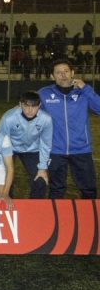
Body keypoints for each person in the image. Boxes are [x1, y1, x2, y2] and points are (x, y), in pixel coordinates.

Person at [38, 59, 100, 199]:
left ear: (72, 73)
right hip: (55, 150)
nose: (63, 75)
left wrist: (86, 89)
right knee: (56, 189)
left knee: (89, 189)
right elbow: (28, 109)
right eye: (58, 72)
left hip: (82, 149)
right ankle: (56, 219)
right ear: (52, 76)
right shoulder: (44, 93)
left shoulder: (83, 92)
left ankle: (91, 219)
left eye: (66, 71)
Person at [0, 91, 52, 199]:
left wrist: (42, 168)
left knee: (40, 179)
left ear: (40, 106)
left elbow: (46, 144)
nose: (30, 110)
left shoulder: (46, 119)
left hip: (33, 150)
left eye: (34, 106)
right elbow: (0, 141)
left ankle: (35, 207)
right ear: (20, 104)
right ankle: (6, 203)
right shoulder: (9, 117)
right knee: (5, 177)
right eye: (26, 106)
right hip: (9, 148)